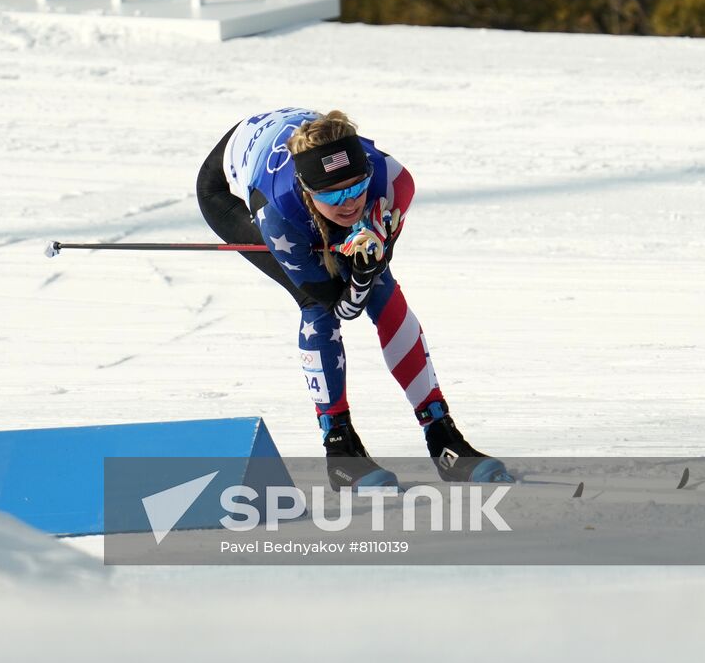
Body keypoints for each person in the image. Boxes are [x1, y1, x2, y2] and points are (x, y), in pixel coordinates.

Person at [196, 107, 510, 489]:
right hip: (226, 185)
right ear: (310, 193)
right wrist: (357, 274)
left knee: (384, 289)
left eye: (356, 188)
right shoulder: (277, 211)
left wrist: (367, 265)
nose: (349, 203)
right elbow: (340, 307)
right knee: (315, 306)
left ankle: (443, 437)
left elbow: (371, 276)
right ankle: (340, 449)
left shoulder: (394, 183)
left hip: (300, 149)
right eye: (334, 195)